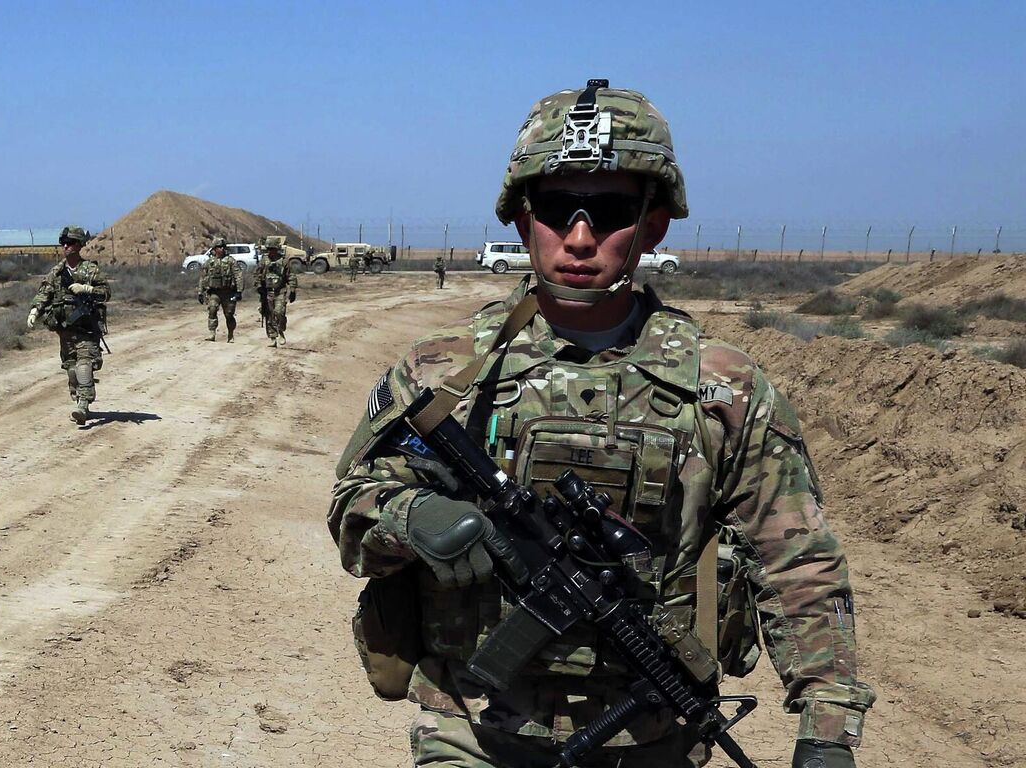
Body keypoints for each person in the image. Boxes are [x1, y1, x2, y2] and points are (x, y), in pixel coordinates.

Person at [327, 80, 872, 768]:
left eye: (610, 210)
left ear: (652, 225)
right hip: (474, 731)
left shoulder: (724, 391)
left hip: (650, 738)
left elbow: (798, 560)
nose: (580, 237)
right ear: (524, 221)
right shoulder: (445, 374)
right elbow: (353, 510)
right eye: (557, 208)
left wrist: (827, 727)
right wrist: (412, 517)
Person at [27, 226, 111, 424]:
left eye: (71, 242)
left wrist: (87, 288)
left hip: (86, 329)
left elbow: (106, 293)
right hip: (65, 330)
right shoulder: (57, 272)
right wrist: (35, 310)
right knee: (72, 369)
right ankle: (78, 394)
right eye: (64, 243)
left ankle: (83, 406)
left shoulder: (91, 269)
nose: (66, 246)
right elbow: (44, 292)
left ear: (79, 245)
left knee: (84, 366)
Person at [196, 236, 243, 342]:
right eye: (219, 247)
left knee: (229, 314)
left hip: (229, 292)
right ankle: (212, 333)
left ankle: (230, 334)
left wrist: (239, 291)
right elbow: (203, 277)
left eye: (222, 247)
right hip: (214, 292)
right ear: (214, 249)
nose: (221, 249)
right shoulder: (209, 262)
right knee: (212, 310)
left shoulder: (231, 261)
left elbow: (238, 275)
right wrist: (200, 292)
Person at [253, 236, 297, 347]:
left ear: (277, 249)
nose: (270, 252)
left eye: (272, 249)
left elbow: (291, 276)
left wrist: (292, 289)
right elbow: (257, 275)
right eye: (268, 249)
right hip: (268, 292)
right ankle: (273, 337)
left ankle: (281, 330)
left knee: (279, 312)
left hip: (280, 291)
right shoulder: (264, 261)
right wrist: (259, 286)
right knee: (269, 315)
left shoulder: (283, 261)